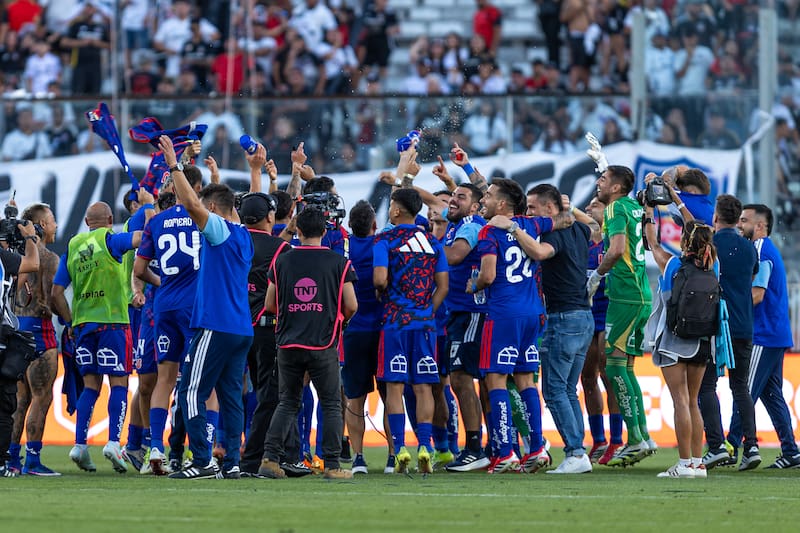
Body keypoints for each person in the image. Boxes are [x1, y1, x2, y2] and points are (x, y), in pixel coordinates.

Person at [156, 135, 254, 480]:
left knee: (190, 390)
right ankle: (232, 463)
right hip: (241, 328)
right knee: (230, 397)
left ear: (212, 210)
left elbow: (194, 205)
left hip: (215, 324)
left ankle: (200, 462)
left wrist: (173, 163)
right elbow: (221, 204)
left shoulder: (220, 230)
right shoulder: (243, 233)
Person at [51, 195, 151, 473]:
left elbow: (56, 294)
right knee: (118, 385)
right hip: (113, 324)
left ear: (85, 223)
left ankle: (80, 445)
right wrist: (150, 207)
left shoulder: (72, 246)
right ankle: (113, 443)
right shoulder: (111, 239)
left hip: (83, 326)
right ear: (109, 221)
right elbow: (141, 238)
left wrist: (70, 322)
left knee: (91, 386)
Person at [257, 208, 358, 480]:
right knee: (331, 403)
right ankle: (333, 464)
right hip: (323, 343)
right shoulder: (339, 263)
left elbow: (269, 305)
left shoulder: (282, 262)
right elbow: (351, 305)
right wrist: (338, 321)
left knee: (287, 402)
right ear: (325, 231)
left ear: (297, 231)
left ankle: (270, 459)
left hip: (288, 343)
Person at [471, 179, 554, 474]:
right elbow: (563, 218)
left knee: (495, 381)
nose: (484, 200)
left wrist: (474, 285)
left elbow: (489, 275)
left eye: (490, 197)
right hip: (533, 313)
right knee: (526, 381)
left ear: (502, 205)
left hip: (504, 314)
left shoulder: (489, 231)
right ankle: (537, 447)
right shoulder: (532, 226)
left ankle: (506, 451)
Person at [133, 165, 204, 475]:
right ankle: (203, 451)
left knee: (165, 379)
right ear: (196, 187)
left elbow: (138, 270)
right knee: (202, 380)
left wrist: (163, 285)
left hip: (164, 306)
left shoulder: (157, 221)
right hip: (195, 307)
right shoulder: (202, 217)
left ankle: (156, 447)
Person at [373, 188, 448, 474]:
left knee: (395, 386)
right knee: (423, 386)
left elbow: (380, 279)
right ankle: (425, 447)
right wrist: (428, 310)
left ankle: (400, 447)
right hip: (425, 324)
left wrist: (385, 295)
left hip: (395, 322)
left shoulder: (385, 240)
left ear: (395, 210)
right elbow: (444, 286)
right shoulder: (432, 242)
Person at [524, 184, 594, 474]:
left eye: (532, 208)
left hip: (564, 319)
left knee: (554, 390)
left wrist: (515, 231)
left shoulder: (554, 233)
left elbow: (540, 253)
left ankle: (576, 453)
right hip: (583, 318)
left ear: (550, 209)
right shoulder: (578, 229)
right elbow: (592, 224)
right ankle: (579, 453)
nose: (528, 214)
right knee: (567, 388)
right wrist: (573, 209)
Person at [588, 165, 655, 467]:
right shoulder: (633, 206)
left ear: (615, 188)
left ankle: (637, 439)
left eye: (602, 180)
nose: (598, 184)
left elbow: (616, 249)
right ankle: (643, 436)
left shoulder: (615, 207)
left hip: (625, 295)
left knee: (614, 369)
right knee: (625, 368)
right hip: (639, 294)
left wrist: (596, 276)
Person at [727, 204, 800, 469]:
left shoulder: (759, 250)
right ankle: (791, 452)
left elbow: (757, 294)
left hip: (763, 334)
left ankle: (730, 446)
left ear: (759, 226)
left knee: (744, 389)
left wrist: (731, 306)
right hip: (775, 333)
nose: (739, 224)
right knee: (772, 396)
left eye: (744, 220)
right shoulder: (768, 250)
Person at [645, 216, 716, 478]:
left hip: (674, 340)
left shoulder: (673, 264)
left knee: (680, 401)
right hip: (703, 341)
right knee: (693, 401)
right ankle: (697, 463)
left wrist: (650, 212)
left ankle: (684, 463)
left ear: (684, 242)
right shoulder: (713, 266)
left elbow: (652, 243)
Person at [698, 194, 760, 471]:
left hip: (717, 324)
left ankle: (716, 446)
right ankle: (752, 446)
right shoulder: (749, 248)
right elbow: (750, 276)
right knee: (740, 386)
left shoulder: (711, 245)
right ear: (738, 219)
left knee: (707, 385)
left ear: (716, 216)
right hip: (744, 324)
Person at [8, 203, 60, 476]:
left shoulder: (16, 256)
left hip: (16, 329)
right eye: (51, 221)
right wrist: (69, 321)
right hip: (40, 330)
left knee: (20, 400)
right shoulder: (49, 258)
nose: (55, 225)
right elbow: (54, 297)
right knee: (41, 398)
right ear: (40, 226)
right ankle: (34, 461)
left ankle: (11, 459)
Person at [578, 195, 623, 464]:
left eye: (595, 203)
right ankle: (598, 440)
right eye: (588, 205)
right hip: (586, 313)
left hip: (610, 312)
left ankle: (617, 440)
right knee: (587, 378)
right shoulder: (582, 242)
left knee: (609, 376)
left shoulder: (614, 239)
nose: (589, 207)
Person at [341, 200, 385, 475]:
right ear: (374, 225)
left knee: (354, 398)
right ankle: (394, 456)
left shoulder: (343, 249)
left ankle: (358, 458)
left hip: (353, 330)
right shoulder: (383, 244)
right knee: (391, 394)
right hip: (383, 330)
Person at [0, 210, 41, 478]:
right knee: (4, 401)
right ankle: (2, 461)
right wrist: (29, 237)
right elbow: (32, 263)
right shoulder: (4, 257)